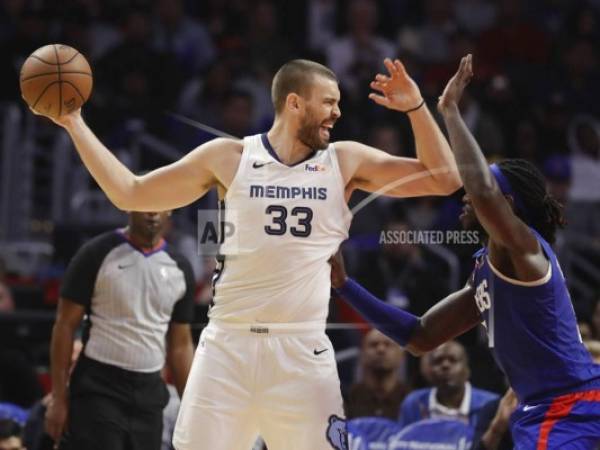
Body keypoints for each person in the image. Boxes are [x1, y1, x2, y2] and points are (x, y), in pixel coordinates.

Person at [33, 57, 461, 450]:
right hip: (227, 348)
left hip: (301, 350)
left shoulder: (345, 161)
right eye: (329, 102)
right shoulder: (230, 157)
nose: (337, 113)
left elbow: (443, 180)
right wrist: (73, 122)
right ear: (295, 103)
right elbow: (130, 191)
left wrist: (415, 108)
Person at [331, 55, 600, 448]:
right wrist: (344, 285)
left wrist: (449, 111)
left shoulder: (525, 249)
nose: (466, 196)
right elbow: (419, 336)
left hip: (569, 408)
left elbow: (481, 190)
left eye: (481, 190)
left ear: (506, 203)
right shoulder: (487, 268)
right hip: (548, 409)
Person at [44, 211, 195, 450]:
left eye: (160, 204)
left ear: (170, 211)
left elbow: (181, 346)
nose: (153, 212)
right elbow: (64, 326)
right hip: (99, 387)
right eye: (146, 203)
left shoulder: (181, 267)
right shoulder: (96, 253)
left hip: (149, 395)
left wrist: (192, 409)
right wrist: (59, 398)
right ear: (129, 205)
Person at [398, 341, 498, 429]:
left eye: (453, 360)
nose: (445, 365)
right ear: (429, 370)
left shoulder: (490, 404)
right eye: (438, 361)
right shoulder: (413, 403)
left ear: (467, 369)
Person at [346, 329, 408, 420]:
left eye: (388, 344)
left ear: (401, 355)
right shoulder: (347, 399)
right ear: (362, 354)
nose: (381, 349)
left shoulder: (411, 401)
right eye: (373, 345)